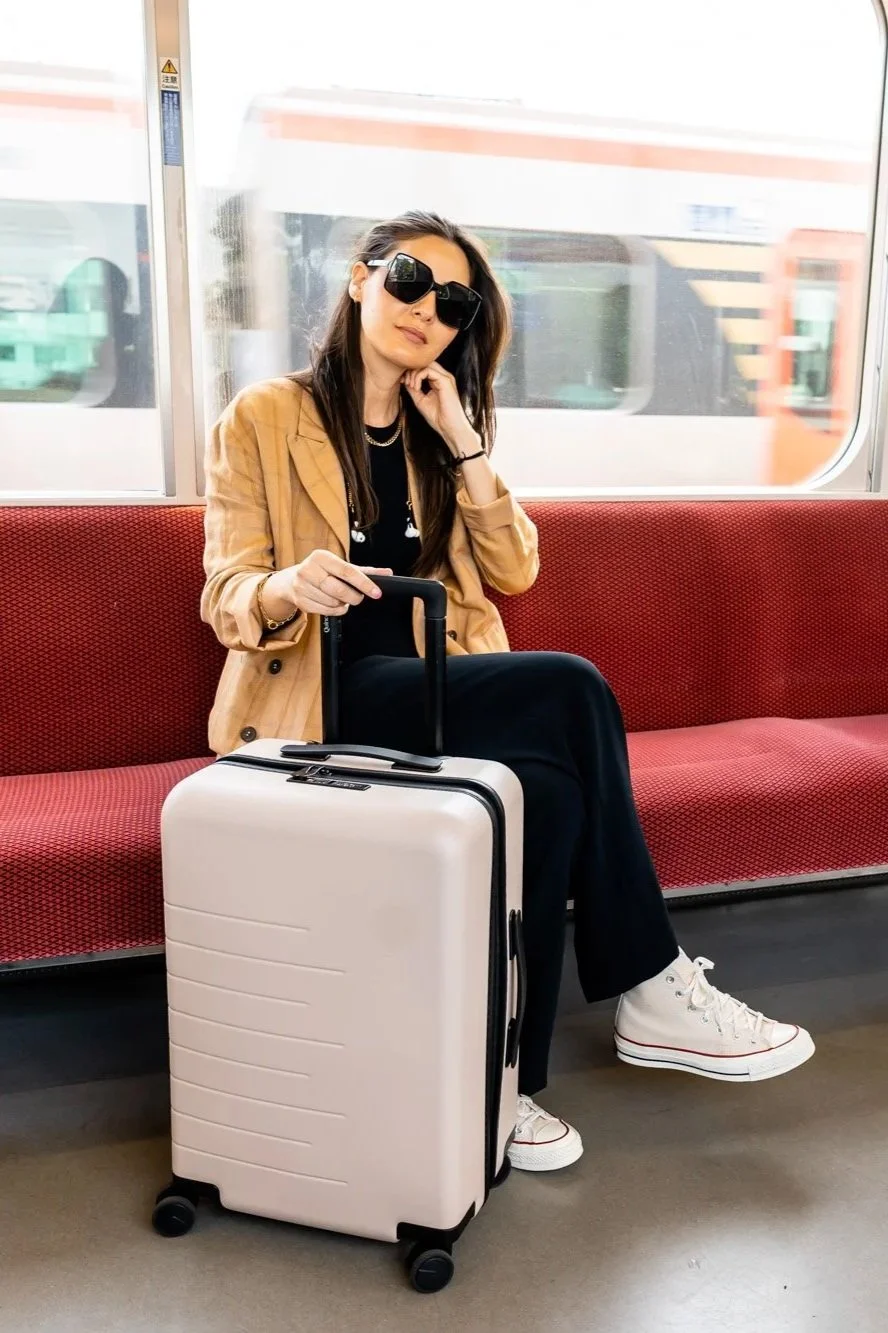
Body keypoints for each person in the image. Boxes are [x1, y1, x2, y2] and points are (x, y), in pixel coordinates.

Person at [201, 211, 815, 1174]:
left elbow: (516, 568)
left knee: (553, 792)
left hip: (433, 693)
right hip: (319, 706)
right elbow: (226, 591)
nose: (427, 311)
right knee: (571, 685)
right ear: (361, 281)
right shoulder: (266, 418)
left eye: (454, 304)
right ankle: (649, 982)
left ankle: (505, 1087)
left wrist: (464, 442)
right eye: (410, 280)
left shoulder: (438, 431)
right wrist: (286, 586)